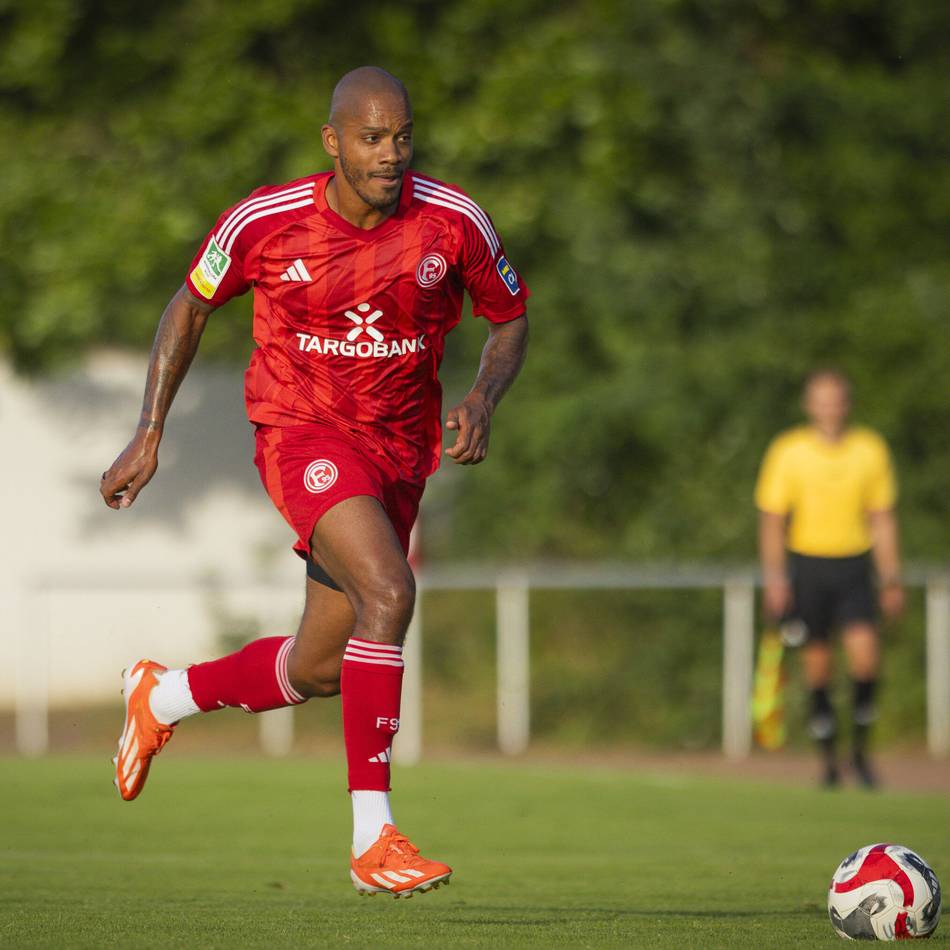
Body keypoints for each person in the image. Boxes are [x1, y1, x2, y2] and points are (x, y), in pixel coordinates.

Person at [100, 66, 529, 897]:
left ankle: (164, 696)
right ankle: (375, 839)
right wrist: (150, 431)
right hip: (303, 431)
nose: (391, 153)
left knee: (325, 664)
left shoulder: (453, 221)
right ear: (332, 142)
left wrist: (482, 394)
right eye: (372, 138)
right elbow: (189, 305)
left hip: (401, 450)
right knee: (390, 593)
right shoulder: (267, 219)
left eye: (402, 136)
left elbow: (509, 317)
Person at [754, 369, 903, 788]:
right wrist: (776, 579)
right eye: (821, 399)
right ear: (809, 405)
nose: (829, 407)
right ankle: (828, 761)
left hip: (854, 566)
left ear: (847, 404)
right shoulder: (789, 450)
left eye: (836, 399)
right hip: (808, 566)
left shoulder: (869, 449)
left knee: (864, 657)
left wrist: (891, 577)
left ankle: (859, 753)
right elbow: (772, 520)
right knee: (817, 667)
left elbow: (882, 518)